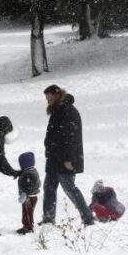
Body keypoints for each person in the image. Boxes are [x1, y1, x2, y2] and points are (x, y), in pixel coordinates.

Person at [41, 85, 94, 226]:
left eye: (50, 96)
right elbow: (53, 134)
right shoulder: (57, 110)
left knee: (69, 188)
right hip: (54, 158)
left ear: (57, 94)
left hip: (64, 159)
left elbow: (71, 137)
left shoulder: (68, 110)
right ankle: (48, 218)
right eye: (46, 97)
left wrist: (69, 159)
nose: (48, 99)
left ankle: (88, 217)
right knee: (49, 187)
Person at [16, 151, 41, 234]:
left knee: (27, 212)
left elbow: (29, 185)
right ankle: (28, 225)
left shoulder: (28, 174)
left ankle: (28, 227)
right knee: (29, 211)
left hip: (28, 197)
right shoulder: (32, 171)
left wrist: (25, 193)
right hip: (32, 196)